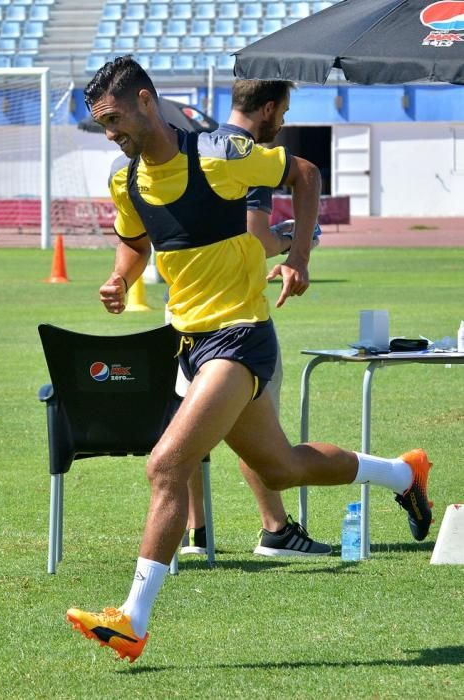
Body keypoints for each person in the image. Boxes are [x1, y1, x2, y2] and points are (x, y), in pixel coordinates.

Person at [66, 57, 434, 664]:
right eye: (102, 126)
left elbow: (306, 173)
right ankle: (402, 474)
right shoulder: (125, 181)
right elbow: (134, 243)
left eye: (115, 120)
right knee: (282, 466)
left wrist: (300, 259)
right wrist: (117, 277)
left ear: (145, 100)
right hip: (192, 342)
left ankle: (132, 619)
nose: (112, 134)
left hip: (240, 338)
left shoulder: (218, 155)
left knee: (166, 466)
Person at [181, 79, 329, 559]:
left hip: (187, 313)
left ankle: (197, 534)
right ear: (267, 107)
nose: (283, 123)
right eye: (283, 112)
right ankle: (276, 528)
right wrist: (294, 243)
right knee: (260, 433)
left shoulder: (196, 145)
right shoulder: (244, 154)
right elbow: (257, 237)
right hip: (238, 319)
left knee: (188, 435)